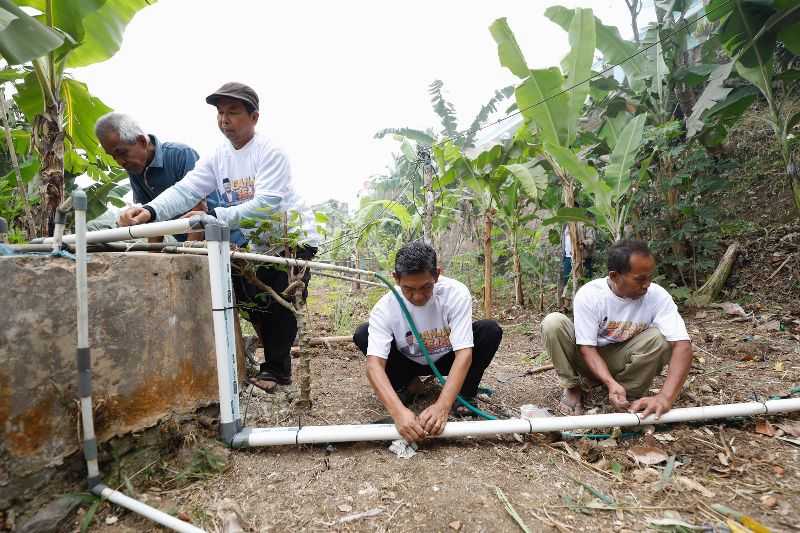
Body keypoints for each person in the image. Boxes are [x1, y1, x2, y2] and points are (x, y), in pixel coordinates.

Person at [116, 82, 320, 392]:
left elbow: (266, 204)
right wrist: (149, 212)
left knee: (282, 301)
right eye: (220, 113)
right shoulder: (218, 157)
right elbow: (187, 189)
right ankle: (267, 364)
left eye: (234, 113)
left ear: (254, 117)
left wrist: (213, 217)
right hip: (259, 242)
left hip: (292, 239)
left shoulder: (270, 152)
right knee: (249, 297)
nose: (225, 120)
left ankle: (278, 373)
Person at [353, 241, 502, 443]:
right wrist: (398, 413)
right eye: (408, 289)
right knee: (363, 333)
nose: (417, 296)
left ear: (436, 275)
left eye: (426, 287)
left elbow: (464, 353)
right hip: (408, 362)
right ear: (395, 279)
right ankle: (407, 386)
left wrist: (443, 405)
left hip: (446, 357)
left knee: (489, 331)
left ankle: (464, 395)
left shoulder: (455, 293)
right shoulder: (385, 307)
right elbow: (374, 365)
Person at [542, 239, 693, 419]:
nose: (647, 284)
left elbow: (682, 346)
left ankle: (627, 393)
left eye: (650, 277)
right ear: (614, 276)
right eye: (640, 279)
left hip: (622, 358)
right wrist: (609, 381)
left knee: (661, 338)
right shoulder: (591, 295)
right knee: (553, 323)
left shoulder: (657, 296)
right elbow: (587, 348)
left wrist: (665, 397)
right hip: (588, 358)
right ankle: (573, 388)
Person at [95, 112, 222, 241]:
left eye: (122, 153)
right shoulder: (135, 169)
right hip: (188, 246)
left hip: (220, 241)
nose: (120, 162)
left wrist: (188, 254)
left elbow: (198, 210)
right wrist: (152, 255)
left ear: (142, 141)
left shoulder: (180, 155)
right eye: (113, 156)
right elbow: (152, 218)